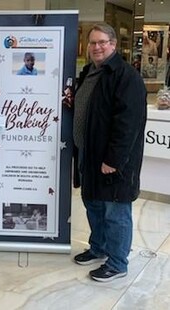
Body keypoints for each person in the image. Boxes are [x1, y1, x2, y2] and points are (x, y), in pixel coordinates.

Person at [73, 23, 147, 282]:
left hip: (111, 160)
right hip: (88, 154)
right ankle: (99, 247)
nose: (96, 47)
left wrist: (113, 160)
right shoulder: (90, 72)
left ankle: (117, 263)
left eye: (102, 42)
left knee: (115, 210)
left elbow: (128, 124)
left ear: (113, 44)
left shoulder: (126, 76)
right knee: (93, 203)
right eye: (92, 43)